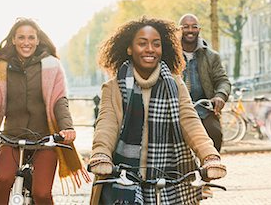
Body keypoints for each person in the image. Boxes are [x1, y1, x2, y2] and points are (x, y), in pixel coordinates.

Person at [88, 17, 227, 204]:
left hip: (169, 179)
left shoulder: (176, 84)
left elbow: (190, 122)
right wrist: (101, 154)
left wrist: (209, 156)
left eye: (156, 44)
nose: (150, 49)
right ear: (129, 48)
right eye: (142, 43)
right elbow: (107, 124)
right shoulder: (113, 87)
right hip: (125, 178)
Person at [0, 18, 90, 204]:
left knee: (41, 193)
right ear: (13, 40)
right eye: (21, 37)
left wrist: (67, 128)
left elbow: (59, 102)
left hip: (45, 140)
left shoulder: (52, 66)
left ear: (38, 40)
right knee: (3, 180)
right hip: (11, 138)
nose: (26, 42)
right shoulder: (0, 67)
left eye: (31, 37)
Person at [178, 14, 231, 152]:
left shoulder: (211, 56)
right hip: (178, 111)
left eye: (194, 27)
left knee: (215, 134)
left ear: (199, 30)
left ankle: (211, 168)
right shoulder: (171, 56)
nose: (190, 30)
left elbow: (222, 80)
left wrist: (220, 96)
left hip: (204, 109)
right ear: (179, 30)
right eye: (186, 27)